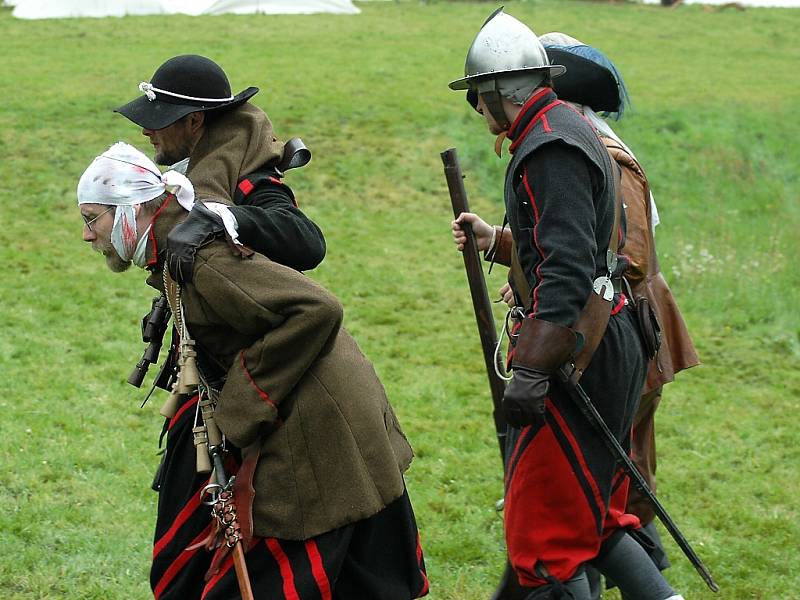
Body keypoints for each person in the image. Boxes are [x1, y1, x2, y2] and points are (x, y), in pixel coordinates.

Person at [77, 142, 429, 600]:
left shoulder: (202, 259)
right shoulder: (174, 247)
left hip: (318, 423)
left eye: (92, 218)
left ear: (133, 209)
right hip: (304, 412)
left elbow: (316, 309)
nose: (87, 235)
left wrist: (238, 409)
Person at [449, 9, 683, 600]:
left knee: (546, 539)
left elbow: (569, 272)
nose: (477, 110)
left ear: (504, 91)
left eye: (480, 96)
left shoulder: (550, 147)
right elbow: (568, 246)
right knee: (597, 523)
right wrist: (501, 244)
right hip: (601, 341)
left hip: (582, 349)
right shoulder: (562, 130)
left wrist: (531, 368)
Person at [115, 54, 326, 279]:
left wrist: (223, 218)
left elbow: (309, 242)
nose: (147, 131)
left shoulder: (249, 181)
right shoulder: (199, 171)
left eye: (159, 120)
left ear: (194, 121)